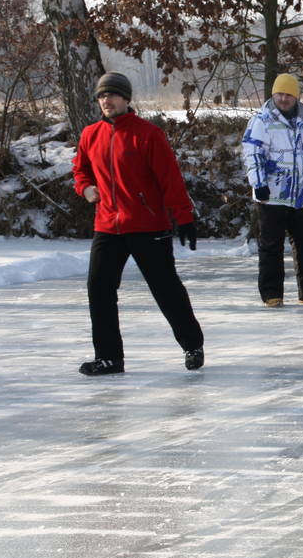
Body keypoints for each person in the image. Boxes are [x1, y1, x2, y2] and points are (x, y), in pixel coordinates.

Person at [72, 72, 205, 375]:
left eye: (113, 95)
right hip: (108, 225)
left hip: (147, 225)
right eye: (102, 96)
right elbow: (80, 170)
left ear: (126, 99)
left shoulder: (147, 134)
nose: (107, 100)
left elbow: (170, 179)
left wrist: (183, 217)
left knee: (166, 288)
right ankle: (109, 357)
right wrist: (85, 188)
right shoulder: (90, 135)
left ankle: (192, 344)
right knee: (99, 287)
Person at [242, 73, 303, 306]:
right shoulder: (262, 120)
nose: (284, 98)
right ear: (273, 94)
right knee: (271, 246)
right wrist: (259, 184)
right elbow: (252, 155)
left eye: (288, 94)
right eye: (280, 93)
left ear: (296, 97)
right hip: (272, 196)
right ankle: (271, 293)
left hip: (301, 196)